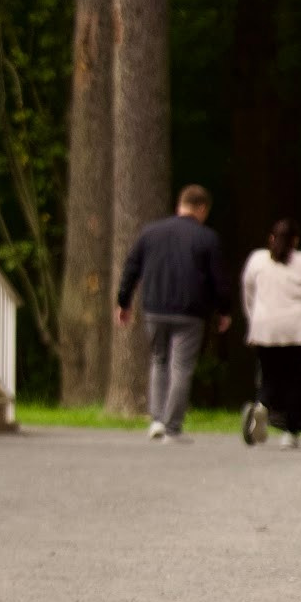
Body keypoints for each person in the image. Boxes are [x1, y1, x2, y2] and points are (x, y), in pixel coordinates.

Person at [114, 185, 232, 441]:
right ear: (201, 209)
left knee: (159, 361)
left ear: (181, 204)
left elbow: (131, 268)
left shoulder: (150, 233)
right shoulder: (207, 238)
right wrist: (224, 310)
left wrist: (124, 302)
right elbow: (219, 279)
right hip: (190, 312)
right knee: (181, 367)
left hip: (154, 307)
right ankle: (172, 426)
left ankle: (157, 419)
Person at [239, 219, 301, 448]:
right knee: (297, 378)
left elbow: (248, 293)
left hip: (265, 325)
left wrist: (254, 317)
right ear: (296, 241)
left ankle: (263, 405)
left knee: (269, 374)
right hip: (298, 327)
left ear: (271, 238)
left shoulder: (257, 260)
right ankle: (290, 430)